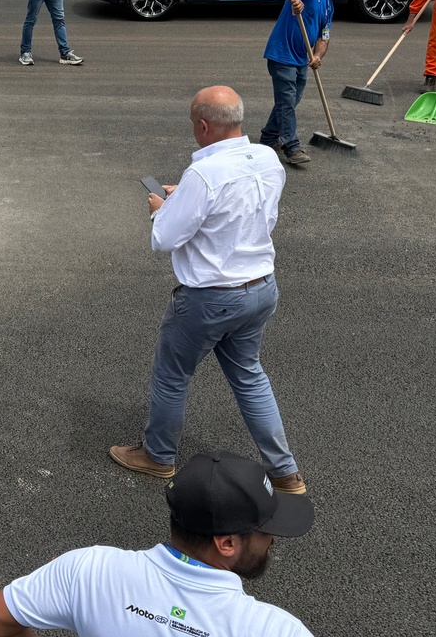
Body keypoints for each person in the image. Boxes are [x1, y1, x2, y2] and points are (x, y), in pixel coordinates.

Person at [109, 86, 307, 494]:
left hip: (210, 298)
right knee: (250, 377)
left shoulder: (203, 173)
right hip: (261, 289)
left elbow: (165, 238)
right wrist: (186, 200)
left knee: (172, 377)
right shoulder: (267, 159)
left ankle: (158, 457)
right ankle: (285, 473)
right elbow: (239, 206)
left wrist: (162, 210)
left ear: (202, 125)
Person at [0, 450, 316, 637]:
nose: (272, 540)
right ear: (226, 543)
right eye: (264, 530)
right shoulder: (274, 629)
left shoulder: (88, 568)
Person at [260, 0, 360, 166]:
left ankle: (269, 137)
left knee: (291, 100)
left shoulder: (329, 6)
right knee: (287, 101)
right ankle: (291, 146)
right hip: (282, 54)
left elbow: (324, 37)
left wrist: (318, 56)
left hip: (301, 59)